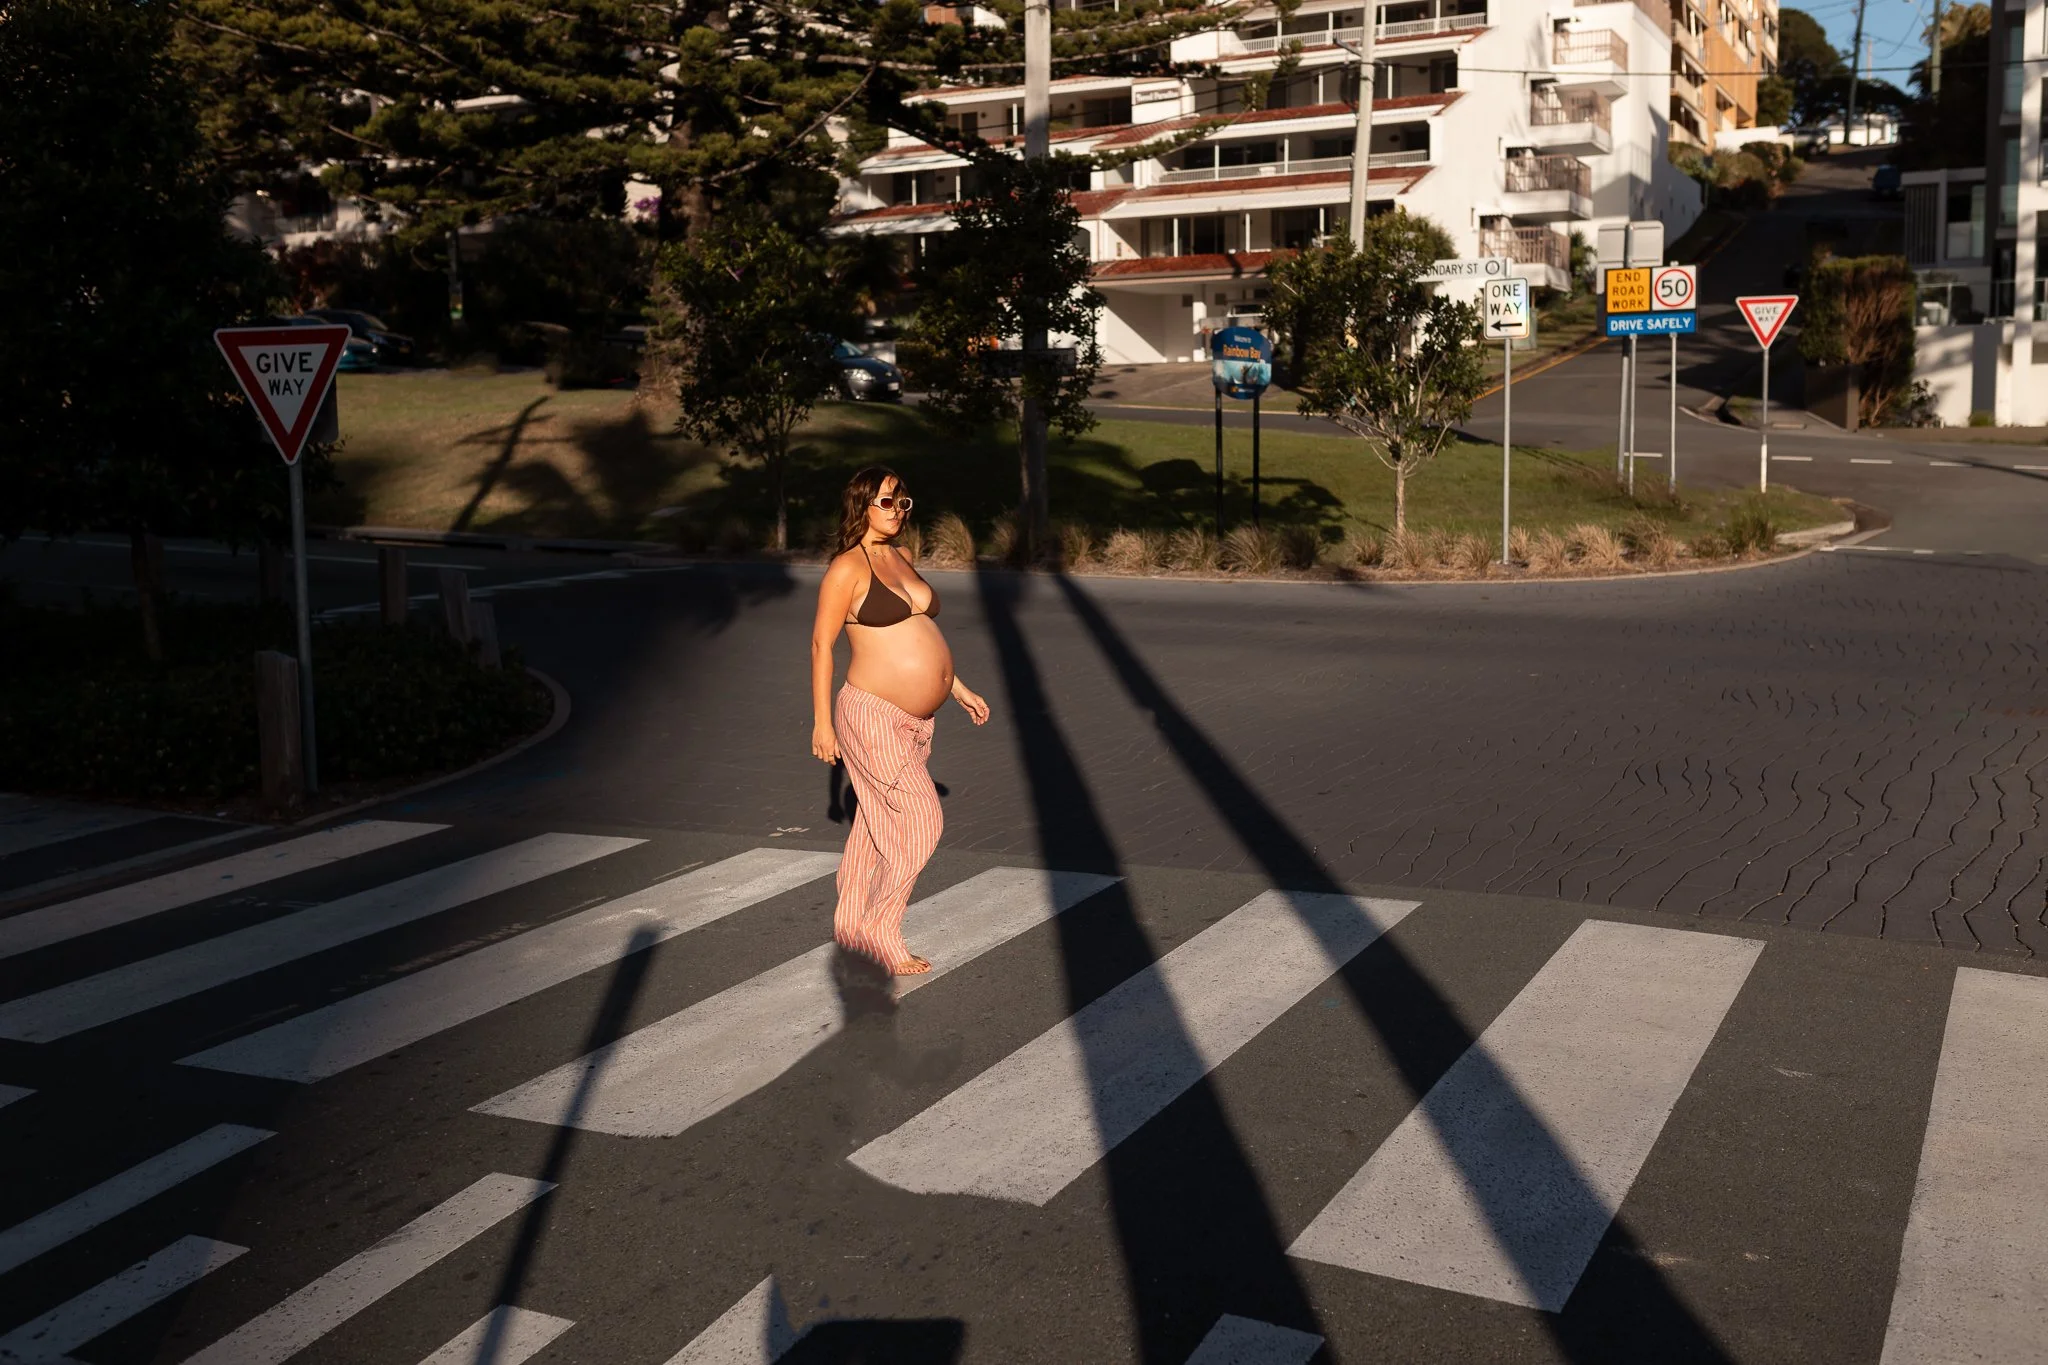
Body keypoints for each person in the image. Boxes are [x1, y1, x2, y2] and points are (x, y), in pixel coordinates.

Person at [811, 466, 989, 974]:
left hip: (915, 721)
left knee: (874, 823)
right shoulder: (847, 567)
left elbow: (914, 632)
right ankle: (880, 927)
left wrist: (957, 688)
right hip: (871, 712)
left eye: (903, 501)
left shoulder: (903, 556)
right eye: (886, 501)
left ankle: (851, 926)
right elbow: (822, 644)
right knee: (922, 822)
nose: (897, 511)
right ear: (862, 504)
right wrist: (822, 724)